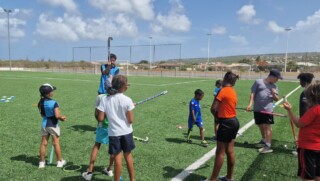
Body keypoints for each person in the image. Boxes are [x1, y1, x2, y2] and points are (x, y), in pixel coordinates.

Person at [97, 75, 135, 181]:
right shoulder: (127, 100)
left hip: (114, 133)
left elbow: (100, 118)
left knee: (118, 159)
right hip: (126, 132)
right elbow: (131, 120)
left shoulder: (105, 99)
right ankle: (133, 179)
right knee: (128, 156)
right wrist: (129, 108)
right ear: (125, 87)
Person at [205, 71, 240, 181]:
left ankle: (213, 180)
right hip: (234, 122)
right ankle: (229, 177)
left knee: (220, 152)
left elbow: (213, 108)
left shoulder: (222, 91)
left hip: (226, 123)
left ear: (224, 79)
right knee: (230, 151)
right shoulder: (233, 91)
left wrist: (217, 118)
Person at [283, 80, 320, 181]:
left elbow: (299, 124)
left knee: (308, 177)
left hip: (308, 148)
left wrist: (289, 111)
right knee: (317, 175)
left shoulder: (315, 109)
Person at [246, 69, 282, 153]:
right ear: (272, 76)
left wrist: (273, 94)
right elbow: (253, 93)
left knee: (267, 126)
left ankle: (268, 146)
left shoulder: (275, 86)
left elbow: (277, 99)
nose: (277, 80)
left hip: (267, 110)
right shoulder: (258, 82)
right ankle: (264, 139)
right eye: (277, 78)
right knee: (259, 124)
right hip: (257, 109)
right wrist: (250, 104)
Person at [82, 94, 115, 180]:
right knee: (114, 149)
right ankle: (110, 169)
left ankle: (89, 172)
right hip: (114, 128)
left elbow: (97, 113)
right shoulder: (118, 97)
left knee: (97, 146)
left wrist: (99, 123)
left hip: (102, 127)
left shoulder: (101, 97)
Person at [37, 83, 67, 168]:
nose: (53, 92)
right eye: (52, 90)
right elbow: (57, 116)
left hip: (44, 124)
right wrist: (62, 117)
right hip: (53, 125)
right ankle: (60, 161)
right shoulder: (54, 102)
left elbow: (42, 115)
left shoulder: (40, 102)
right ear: (48, 93)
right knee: (56, 143)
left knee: (43, 143)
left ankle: (41, 162)